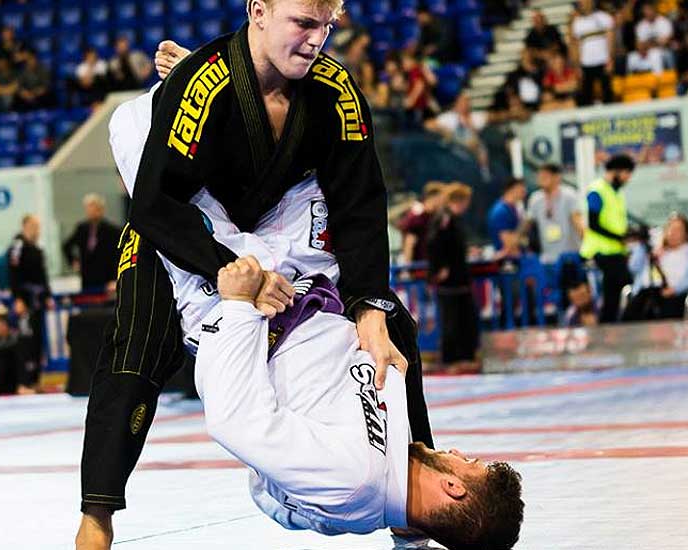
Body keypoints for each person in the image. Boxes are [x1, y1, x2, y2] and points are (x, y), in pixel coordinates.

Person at [77, 7, 435, 544]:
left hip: (274, 220)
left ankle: (414, 498)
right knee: (137, 348)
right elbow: (152, 204)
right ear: (258, 11)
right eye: (304, 23)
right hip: (178, 222)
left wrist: (368, 307)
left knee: (392, 325)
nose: (318, 40)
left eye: (327, 26)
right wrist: (231, 273)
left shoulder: (334, 90)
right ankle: (95, 519)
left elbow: (359, 202)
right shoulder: (203, 86)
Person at [196, 256, 524, 549]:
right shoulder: (387, 473)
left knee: (157, 205)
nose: (455, 453)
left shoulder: (353, 482)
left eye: (467, 462)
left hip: (256, 298)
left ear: (453, 487)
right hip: (310, 285)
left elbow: (235, 423)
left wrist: (238, 307)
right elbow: (278, 507)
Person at [427, 184, 480, 370]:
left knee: (463, 316)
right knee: (452, 318)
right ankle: (452, 357)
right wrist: (440, 268)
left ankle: (465, 355)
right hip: (450, 280)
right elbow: (434, 243)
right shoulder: (445, 218)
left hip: (459, 276)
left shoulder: (452, 218)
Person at [580, 154, 635, 323]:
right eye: (627, 173)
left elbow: (616, 221)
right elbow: (593, 224)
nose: (628, 178)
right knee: (617, 288)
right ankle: (609, 326)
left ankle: (610, 325)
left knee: (616, 292)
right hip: (600, 250)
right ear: (616, 171)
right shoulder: (597, 190)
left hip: (615, 250)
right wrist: (619, 237)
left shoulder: (616, 192)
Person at [623, 213, 688, 321]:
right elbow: (633, 267)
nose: (673, 233)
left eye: (678, 230)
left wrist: (675, 290)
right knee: (633, 313)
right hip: (649, 292)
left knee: (666, 313)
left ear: (686, 233)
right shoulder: (657, 250)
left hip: (676, 293)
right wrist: (642, 247)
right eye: (670, 228)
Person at [6, 214, 54, 392]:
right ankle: (24, 382)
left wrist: (48, 295)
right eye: (34, 226)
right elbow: (13, 274)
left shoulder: (37, 248)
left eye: (39, 227)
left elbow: (43, 275)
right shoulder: (17, 247)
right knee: (25, 342)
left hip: (38, 301)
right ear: (25, 226)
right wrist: (17, 298)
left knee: (37, 342)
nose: (37, 230)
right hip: (25, 300)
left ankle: (35, 381)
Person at [524, 163, 583, 265]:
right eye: (539, 176)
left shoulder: (569, 195)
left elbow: (578, 222)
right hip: (547, 258)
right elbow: (527, 224)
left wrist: (589, 248)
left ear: (557, 177)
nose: (541, 179)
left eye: (545, 176)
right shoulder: (535, 198)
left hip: (569, 255)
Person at [62, 194, 120, 293]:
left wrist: (115, 279)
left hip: (107, 279)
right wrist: (73, 261)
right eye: (89, 209)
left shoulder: (112, 231)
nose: (91, 212)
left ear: (101, 209)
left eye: (94, 208)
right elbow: (66, 245)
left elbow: (118, 255)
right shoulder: (81, 228)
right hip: (87, 278)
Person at [424, 92, 490, 174]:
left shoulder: (474, 117)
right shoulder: (448, 117)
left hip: (473, 147)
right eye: (461, 102)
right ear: (456, 104)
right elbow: (427, 124)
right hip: (455, 145)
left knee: (480, 148)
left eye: (466, 102)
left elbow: (493, 117)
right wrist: (444, 130)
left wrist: (470, 125)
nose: (464, 105)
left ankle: (484, 174)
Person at [569, 0, 615, 106]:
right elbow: (576, 46)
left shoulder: (604, 17)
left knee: (607, 92)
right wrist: (578, 66)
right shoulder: (576, 22)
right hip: (586, 63)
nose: (582, 4)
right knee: (586, 95)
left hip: (603, 61)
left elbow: (610, 39)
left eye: (584, 1)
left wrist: (610, 59)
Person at [397, 182, 447, 265]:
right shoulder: (417, 216)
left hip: (430, 265)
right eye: (442, 199)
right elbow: (409, 242)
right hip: (418, 267)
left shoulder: (434, 216)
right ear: (433, 197)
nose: (443, 203)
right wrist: (407, 269)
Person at [487, 178, 527, 260]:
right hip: (508, 261)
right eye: (522, 189)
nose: (525, 192)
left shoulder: (513, 208)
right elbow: (509, 245)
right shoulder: (500, 211)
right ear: (512, 189)